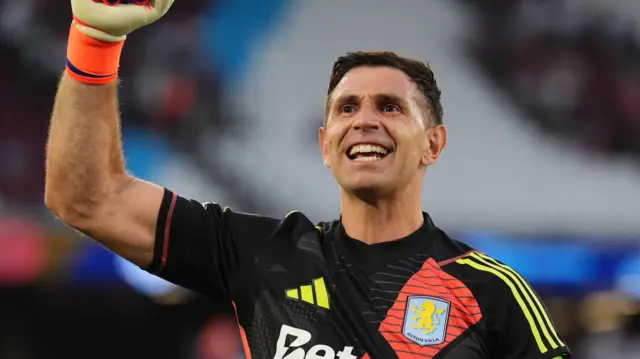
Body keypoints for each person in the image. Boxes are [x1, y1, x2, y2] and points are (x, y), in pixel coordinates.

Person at [44, 1, 572, 358]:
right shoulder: (260, 254)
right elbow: (87, 198)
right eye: (346, 108)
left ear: (432, 144)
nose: (365, 119)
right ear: (325, 144)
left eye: (390, 106)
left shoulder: (491, 291)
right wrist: (95, 39)